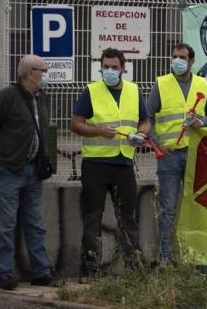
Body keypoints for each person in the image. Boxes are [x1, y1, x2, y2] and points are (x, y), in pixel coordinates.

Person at [71, 48, 150, 279]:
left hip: (124, 164)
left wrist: (141, 134)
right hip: (96, 165)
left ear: (123, 68)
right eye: (105, 67)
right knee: (92, 219)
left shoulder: (134, 91)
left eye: (114, 67)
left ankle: (133, 269)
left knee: (128, 219)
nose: (109, 71)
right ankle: (90, 271)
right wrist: (98, 131)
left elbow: (145, 122)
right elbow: (75, 124)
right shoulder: (91, 91)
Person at [0, 55, 54, 290]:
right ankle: (4, 272)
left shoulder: (40, 97)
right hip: (10, 171)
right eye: (44, 70)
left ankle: (41, 271)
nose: (46, 74)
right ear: (31, 73)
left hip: (33, 171)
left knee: (35, 223)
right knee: (6, 223)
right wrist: (4, 153)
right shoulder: (8, 97)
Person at [147, 43, 207, 262]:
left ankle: (197, 257)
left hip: (196, 155)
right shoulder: (161, 84)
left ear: (191, 61)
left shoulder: (202, 84)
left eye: (181, 57)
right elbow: (147, 119)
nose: (176, 61)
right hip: (169, 157)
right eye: (174, 57)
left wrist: (202, 121)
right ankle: (165, 258)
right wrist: (159, 144)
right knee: (168, 209)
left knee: (197, 207)